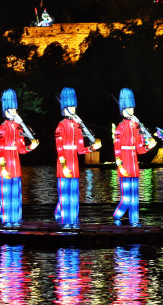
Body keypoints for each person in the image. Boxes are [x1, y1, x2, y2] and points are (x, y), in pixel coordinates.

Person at [54, 88, 101, 228]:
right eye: (70, 107)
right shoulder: (60, 126)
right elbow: (59, 148)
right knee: (64, 195)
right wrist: (63, 167)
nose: (73, 109)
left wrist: (93, 148)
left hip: (74, 165)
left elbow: (80, 150)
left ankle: (73, 219)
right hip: (64, 165)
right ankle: (63, 220)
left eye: (74, 107)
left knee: (74, 195)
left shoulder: (77, 127)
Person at [112, 88, 156, 227]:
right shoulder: (120, 127)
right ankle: (117, 216)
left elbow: (140, 149)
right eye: (127, 108)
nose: (130, 111)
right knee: (126, 198)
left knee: (135, 198)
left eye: (132, 108)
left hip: (134, 165)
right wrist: (120, 165)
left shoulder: (137, 127)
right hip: (125, 164)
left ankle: (134, 221)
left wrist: (149, 146)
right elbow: (117, 148)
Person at [0, 89, 39, 227]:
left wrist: (31, 147)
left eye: (15, 109)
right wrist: (3, 168)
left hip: (16, 165)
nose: (14, 112)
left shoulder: (18, 128)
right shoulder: (2, 128)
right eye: (11, 109)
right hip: (6, 165)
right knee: (6, 193)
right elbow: (0, 150)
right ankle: (6, 217)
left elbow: (21, 149)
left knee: (16, 193)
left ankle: (16, 217)